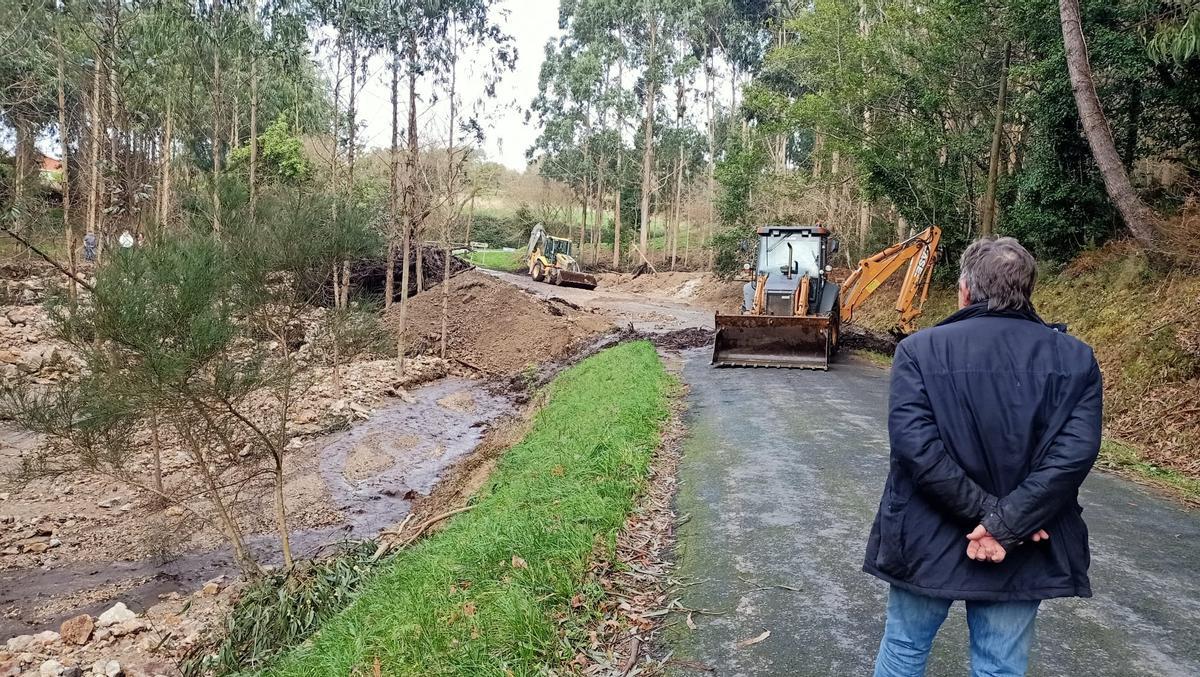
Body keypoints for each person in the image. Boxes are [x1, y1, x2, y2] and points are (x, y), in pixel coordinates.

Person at [864, 237, 1103, 677]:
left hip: (925, 534)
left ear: (965, 290)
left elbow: (917, 449)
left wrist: (990, 520)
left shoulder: (919, 350)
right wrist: (1004, 524)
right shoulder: (1076, 359)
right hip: (1022, 542)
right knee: (1000, 667)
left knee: (904, 652)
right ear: (1026, 291)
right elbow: (1072, 458)